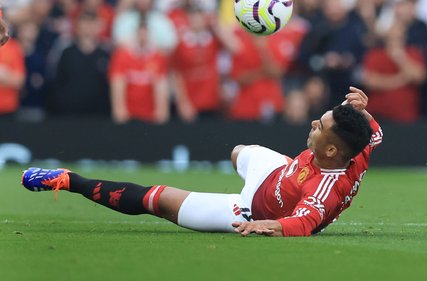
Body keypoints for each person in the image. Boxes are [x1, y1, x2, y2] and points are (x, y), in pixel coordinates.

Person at [22, 87, 382, 237]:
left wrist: (267, 227)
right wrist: (364, 111)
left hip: (249, 210)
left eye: (320, 127)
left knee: (159, 201)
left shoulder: (322, 190)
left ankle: (68, 180)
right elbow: (374, 133)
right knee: (239, 151)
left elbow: (305, 223)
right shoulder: (359, 145)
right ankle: (262, 169)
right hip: (279, 170)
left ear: (333, 152)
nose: (313, 124)